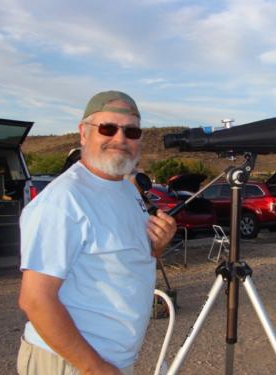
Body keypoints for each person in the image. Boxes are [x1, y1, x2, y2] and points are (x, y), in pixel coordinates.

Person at [17, 90, 177, 375]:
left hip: (109, 363)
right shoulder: (64, 199)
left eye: (131, 131)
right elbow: (35, 299)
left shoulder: (128, 190)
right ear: (83, 133)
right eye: (108, 128)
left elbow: (122, 262)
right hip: (71, 364)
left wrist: (157, 246)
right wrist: (95, 367)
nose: (120, 139)